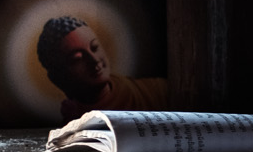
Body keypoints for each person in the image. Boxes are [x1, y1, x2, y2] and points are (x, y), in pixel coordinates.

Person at [36, 15, 166, 123]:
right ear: (57, 78)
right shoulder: (72, 118)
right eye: (77, 58)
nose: (94, 60)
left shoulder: (158, 91)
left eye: (95, 47)